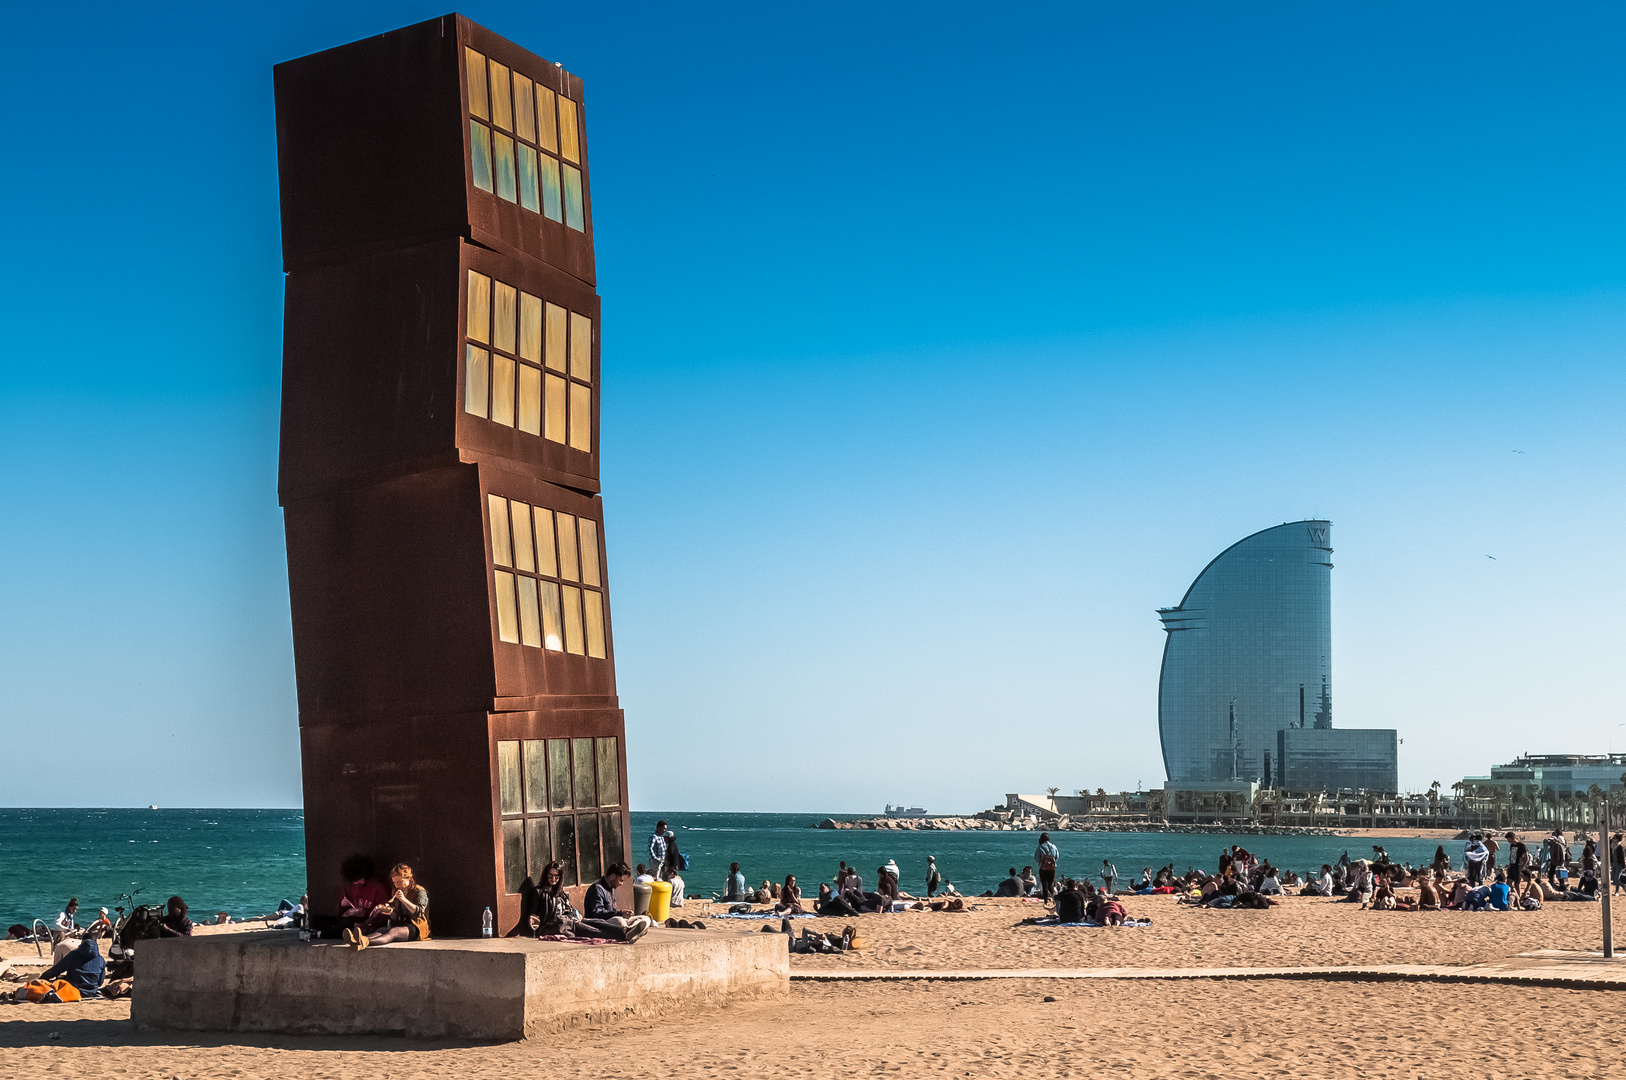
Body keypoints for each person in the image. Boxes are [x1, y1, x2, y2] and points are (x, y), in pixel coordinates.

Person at [346, 863, 428, 948]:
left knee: (393, 932)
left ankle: (365, 942)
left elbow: (420, 912)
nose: (397, 885)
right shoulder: (396, 891)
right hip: (402, 924)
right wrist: (389, 911)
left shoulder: (419, 891)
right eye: (395, 882)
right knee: (381, 930)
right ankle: (357, 940)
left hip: (418, 926)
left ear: (409, 878)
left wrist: (403, 899)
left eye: (400, 881)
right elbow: (397, 916)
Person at [40, 934, 105, 999]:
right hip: (92, 991)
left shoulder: (74, 955)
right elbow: (100, 982)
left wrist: (42, 978)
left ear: (82, 942)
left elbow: (56, 970)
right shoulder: (101, 959)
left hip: (74, 989)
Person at [339, 854, 389, 931]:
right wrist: (342, 905)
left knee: (348, 923)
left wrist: (366, 914)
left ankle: (320, 934)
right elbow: (340, 914)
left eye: (360, 879)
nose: (357, 883)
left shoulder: (377, 887)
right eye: (355, 880)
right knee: (316, 919)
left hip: (365, 921)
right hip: (348, 919)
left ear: (366, 876)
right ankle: (327, 931)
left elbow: (383, 910)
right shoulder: (349, 887)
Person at [1035, 833, 1060, 899]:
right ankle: (1054, 897)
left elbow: (1037, 858)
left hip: (1043, 868)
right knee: (1050, 884)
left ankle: (1045, 901)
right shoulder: (1053, 846)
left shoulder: (1040, 847)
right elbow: (1057, 857)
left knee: (1044, 885)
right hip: (1052, 868)